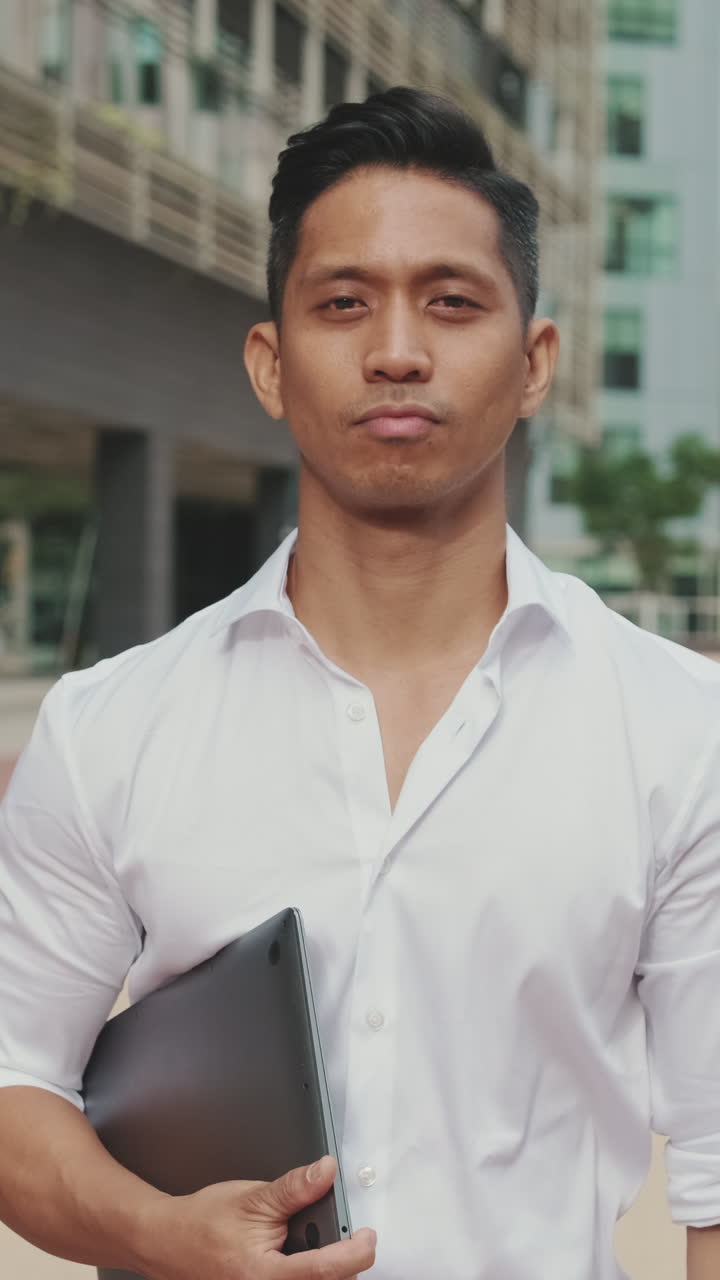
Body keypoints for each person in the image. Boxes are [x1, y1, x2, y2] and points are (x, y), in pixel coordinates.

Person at [0, 86, 719, 1280]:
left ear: (534, 360)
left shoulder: (680, 731)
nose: (396, 349)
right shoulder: (108, 728)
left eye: (451, 301)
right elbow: (11, 1079)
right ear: (271, 365)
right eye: (344, 303)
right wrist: (149, 1233)